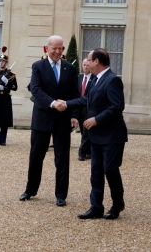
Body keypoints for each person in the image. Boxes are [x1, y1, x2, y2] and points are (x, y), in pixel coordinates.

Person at [56, 48, 128, 220]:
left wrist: (97, 119)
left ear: (97, 61)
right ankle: (96, 207)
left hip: (112, 135)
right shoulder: (95, 80)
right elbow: (86, 99)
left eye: (89, 59)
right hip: (96, 136)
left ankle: (118, 204)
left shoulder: (112, 80)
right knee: (96, 172)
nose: (86, 62)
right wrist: (66, 103)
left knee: (110, 170)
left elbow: (117, 106)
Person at [19, 35, 79, 207]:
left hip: (63, 120)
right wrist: (53, 103)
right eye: (54, 48)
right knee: (36, 156)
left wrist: (74, 115)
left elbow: (75, 95)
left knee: (62, 159)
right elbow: (35, 90)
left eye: (61, 48)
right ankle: (30, 190)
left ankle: (61, 194)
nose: (58, 51)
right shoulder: (38, 66)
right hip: (43, 117)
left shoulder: (70, 68)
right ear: (46, 49)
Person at [0, 46, 18, 146]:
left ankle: (2, 140)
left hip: (6, 97)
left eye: (3, 62)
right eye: (0, 61)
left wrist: (7, 83)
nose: (1, 63)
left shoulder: (11, 74)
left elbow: (15, 87)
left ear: (6, 63)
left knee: (4, 119)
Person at [76, 58, 93, 161]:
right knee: (83, 131)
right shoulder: (79, 78)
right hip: (79, 108)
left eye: (87, 65)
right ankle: (88, 151)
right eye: (84, 65)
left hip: (88, 109)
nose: (85, 67)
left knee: (87, 131)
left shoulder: (94, 79)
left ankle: (81, 152)